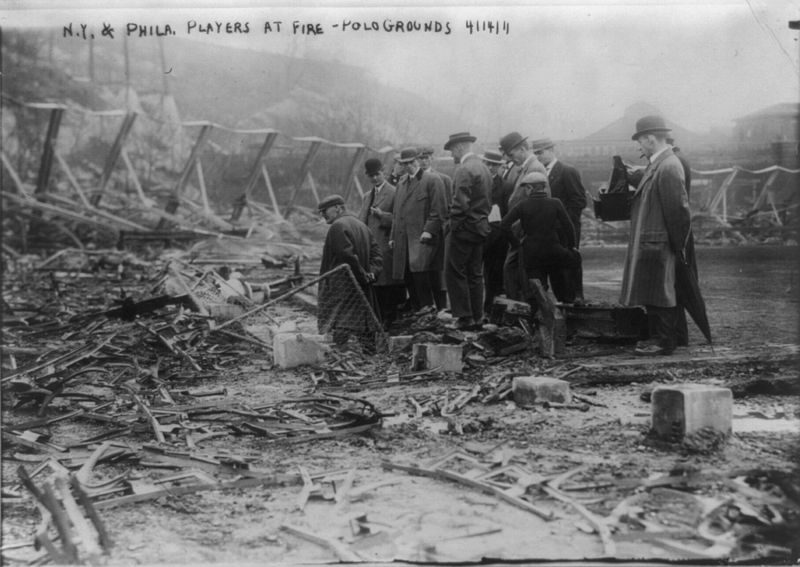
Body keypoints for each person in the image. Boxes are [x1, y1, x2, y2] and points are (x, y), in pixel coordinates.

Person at [621, 115, 692, 356]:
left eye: (640, 141)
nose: (638, 146)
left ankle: (663, 341)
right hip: (655, 241)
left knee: (661, 292)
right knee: (655, 291)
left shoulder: (669, 166)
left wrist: (676, 246)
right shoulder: (659, 164)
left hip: (660, 243)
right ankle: (663, 338)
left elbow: (679, 210)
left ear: (650, 139)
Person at [499, 172, 579, 303]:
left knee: (536, 290)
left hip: (532, 253)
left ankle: (536, 318)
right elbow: (569, 227)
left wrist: (516, 244)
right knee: (560, 287)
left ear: (530, 188)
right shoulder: (556, 203)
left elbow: (504, 225)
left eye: (525, 188)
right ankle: (565, 313)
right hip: (554, 250)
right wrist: (570, 247)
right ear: (544, 187)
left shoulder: (523, 205)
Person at [317, 194, 383, 352]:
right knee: (364, 324)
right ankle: (369, 357)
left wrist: (360, 275)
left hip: (343, 288)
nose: (322, 215)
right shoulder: (362, 226)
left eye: (325, 210)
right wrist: (371, 274)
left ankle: (342, 358)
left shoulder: (338, 226)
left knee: (341, 325)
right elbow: (377, 255)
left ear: (338, 208)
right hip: (363, 286)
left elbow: (347, 256)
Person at [443, 132, 493, 329]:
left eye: (452, 151)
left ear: (459, 148)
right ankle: (477, 316)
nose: (452, 155)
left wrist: (452, 227)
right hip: (480, 228)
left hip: (463, 229)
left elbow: (460, 204)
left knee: (455, 272)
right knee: (475, 273)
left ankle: (464, 317)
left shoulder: (464, 170)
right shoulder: (484, 168)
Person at [388, 147, 447, 312]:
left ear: (417, 161)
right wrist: (393, 236)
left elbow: (439, 211)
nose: (407, 166)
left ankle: (429, 312)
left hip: (423, 239)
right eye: (403, 163)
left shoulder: (432, 180)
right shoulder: (401, 183)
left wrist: (428, 230)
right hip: (404, 240)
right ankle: (417, 311)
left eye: (410, 162)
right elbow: (396, 213)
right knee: (408, 276)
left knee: (424, 278)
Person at [530, 137, 587, 300]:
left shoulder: (567, 171)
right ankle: (562, 305)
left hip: (564, 232)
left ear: (551, 150)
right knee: (555, 271)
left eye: (540, 152)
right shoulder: (539, 173)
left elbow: (578, 201)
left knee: (567, 271)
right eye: (535, 153)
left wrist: (562, 225)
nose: (538, 156)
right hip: (547, 233)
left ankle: (574, 301)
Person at [498, 131, 549, 300]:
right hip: (521, 233)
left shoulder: (534, 168)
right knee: (514, 272)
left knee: (520, 274)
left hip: (528, 234)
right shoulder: (525, 168)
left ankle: (524, 314)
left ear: (522, 149)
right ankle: (520, 313)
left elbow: (540, 204)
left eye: (512, 155)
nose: (511, 159)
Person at [357, 158, 405, 327]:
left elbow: (400, 220)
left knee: (388, 285)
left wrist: (382, 215)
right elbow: (361, 221)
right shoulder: (366, 196)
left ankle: (389, 321)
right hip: (370, 249)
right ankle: (376, 321)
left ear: (384, 172)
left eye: (377, 174)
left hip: (386, 246)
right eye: (371, 176)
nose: (375, 178)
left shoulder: (394, 192)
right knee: (374, 285)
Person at [418, 146, 452, 311]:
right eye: (420, 159)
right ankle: (424, 310)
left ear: (432, 159)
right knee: (420, 273)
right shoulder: (413, 180)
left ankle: (442, 310)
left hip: (438, 233)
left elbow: (449, 208)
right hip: (418, 232)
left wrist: (443, 228)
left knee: (437, 274)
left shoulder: (443, 179)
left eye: (426, 158)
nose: (423, 162)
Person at [481, 149, 514, 311]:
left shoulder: (506, 186)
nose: (491, 168)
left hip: (497, 238)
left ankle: (491, 308)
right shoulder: (476, 183)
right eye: (488, 164)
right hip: (478, 234)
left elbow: (507, 214)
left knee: (494, 275)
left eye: (495, 165)